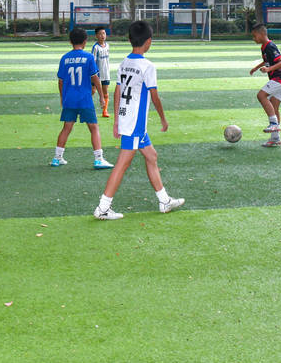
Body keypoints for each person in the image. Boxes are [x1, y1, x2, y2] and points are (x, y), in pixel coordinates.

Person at [93, 20, 184, 220]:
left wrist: (117, 120)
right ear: (149, 41)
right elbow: (155, 96)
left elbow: (117, 92)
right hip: (135, 123)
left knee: (151, 156)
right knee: (122, 164)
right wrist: (163, 118)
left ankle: (164, 201)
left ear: (129, 39)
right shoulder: (147, 66)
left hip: (128, 120)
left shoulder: (125, 62)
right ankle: (103, 207)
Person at [53, 27, 114, 169]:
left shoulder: (65, 58)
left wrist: (62, 97)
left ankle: (57, 157)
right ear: (85, 41)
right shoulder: (88, 57)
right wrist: (101, 96)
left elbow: (60, 81)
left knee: (66, 128)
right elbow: (95, 78)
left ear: (70, 41)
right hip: (85, 99)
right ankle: (98, 159)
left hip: (70, 99)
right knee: (94, 128)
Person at [249, 23, 281, 148]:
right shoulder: (264, 47)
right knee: (274, 107)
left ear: (262, 34)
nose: (253, 39)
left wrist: (269, 69)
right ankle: (275, 138)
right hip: (278, 78)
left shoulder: (270, 46)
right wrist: (256, 68)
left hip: (280, 77)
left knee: (261, 95)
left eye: (255, 36)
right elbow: (267, 60)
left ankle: (273, 123)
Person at [91, 25, 110, 117]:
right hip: (97, 74)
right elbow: (93, 61)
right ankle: (86, 108)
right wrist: (94, 74)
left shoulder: (107, 46)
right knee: (93, 91)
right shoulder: (95, 47)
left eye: (104, 33)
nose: (102, 35)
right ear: (96, 36)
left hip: (106, 73)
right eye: (100, 34)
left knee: (105, 92)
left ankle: (105, 111)